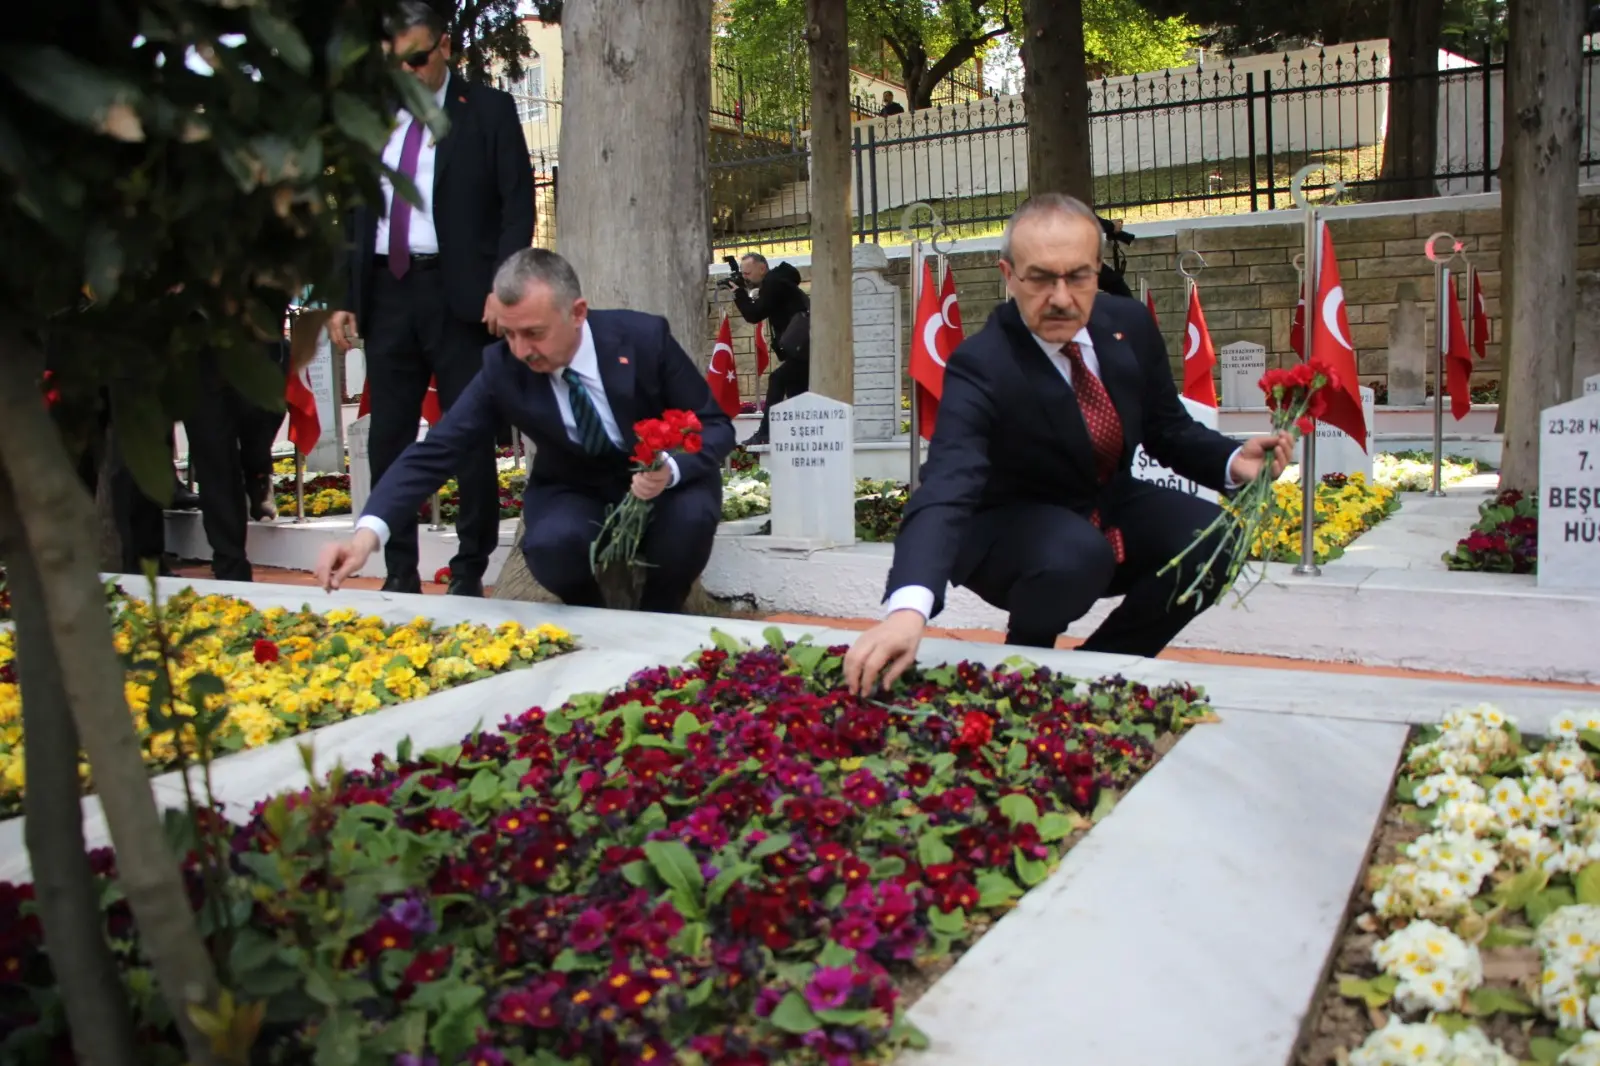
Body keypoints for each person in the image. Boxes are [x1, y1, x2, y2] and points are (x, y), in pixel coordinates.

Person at [842, 193, 1291, 695]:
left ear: (1097, 270)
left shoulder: (1128, 325)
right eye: (1040, 278)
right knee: (1075, 554)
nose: (1061, 297)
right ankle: (1024, 671)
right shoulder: (981, 364)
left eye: (1077, 276)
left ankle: (1099, 673)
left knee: (1214, 538)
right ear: (1008, 273)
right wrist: (908, 610)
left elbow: (1167, 428)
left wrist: (1232, 460)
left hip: (1102, 503)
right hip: (1008, 525)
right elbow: (947, 483)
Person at [314, 249, 735, 613]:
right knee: (551, 546)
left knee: (690, 522)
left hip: (667, 484)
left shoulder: (644, 338)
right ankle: (596, 615)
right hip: (575, 490)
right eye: (510, 334)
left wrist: (670, 471)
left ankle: (660, 614)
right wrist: (367, 536)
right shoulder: (503, 367)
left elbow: (715, 425)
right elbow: (437, 451)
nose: (521, 350)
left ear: (577, 312)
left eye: (534, 333)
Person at [326, 0, 534, 598]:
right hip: (388, 292)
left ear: (445, 46)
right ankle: (398, 570)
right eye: (397, 64)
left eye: (418, 59)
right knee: (390, 433)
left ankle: (469, 571)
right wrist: (345, 295)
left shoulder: (488, 111)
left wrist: (505, 287)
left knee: (468, 433)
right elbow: (355, 209)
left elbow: (516, 204)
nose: (409, 73)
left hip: (463, 295)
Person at [183, 338, 289, 581]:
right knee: (215, 460)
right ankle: (230, 563)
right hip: (196, 350)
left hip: (250, 342)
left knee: (261, 420)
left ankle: (257, 473)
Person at [728, 253, 809, 446]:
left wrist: (738, 293)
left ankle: (765, 433)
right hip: (802, 347)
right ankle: (803, 436)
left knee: (778, 379)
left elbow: (754, 314)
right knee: (797, 392)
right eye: (743, 273)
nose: (745, 277)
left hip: (804, 348)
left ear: (762, 269)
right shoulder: (779, 282)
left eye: (747, 273)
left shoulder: (774, 283)